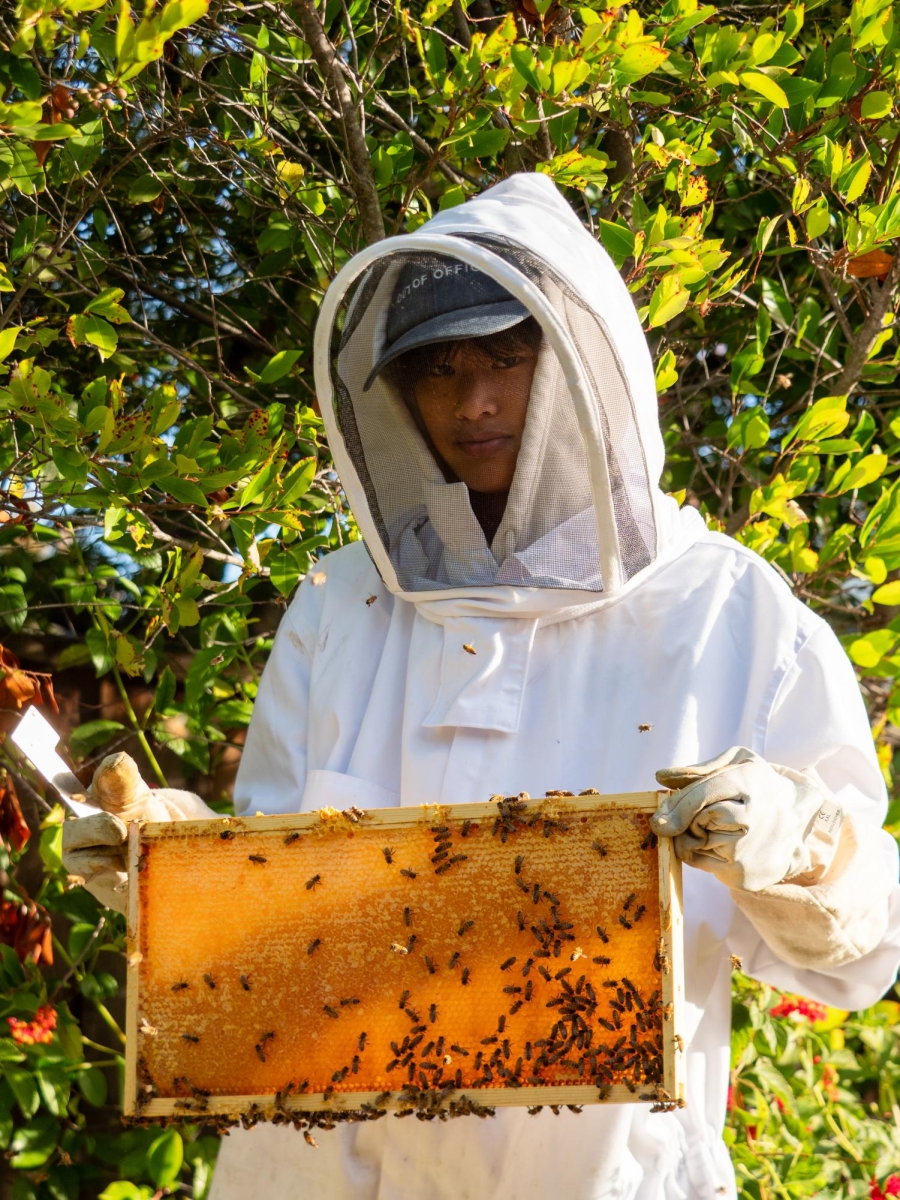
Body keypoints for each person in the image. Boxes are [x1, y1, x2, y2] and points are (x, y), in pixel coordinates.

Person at [62, 173, 900, 1200]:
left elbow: (865, 955)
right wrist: (170, 867)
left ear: (582, 363)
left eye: (508, 356)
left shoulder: (729, 614)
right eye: (439, 369)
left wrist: (795, 846)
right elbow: (277, 894)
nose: (476, 402)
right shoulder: (343, 605)